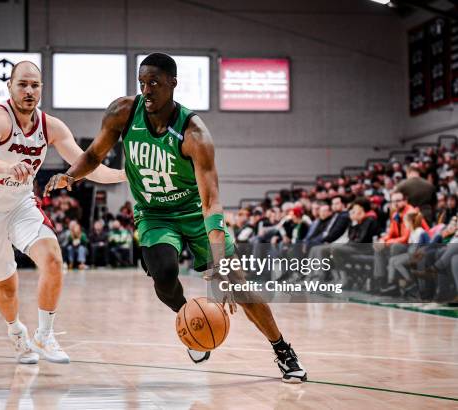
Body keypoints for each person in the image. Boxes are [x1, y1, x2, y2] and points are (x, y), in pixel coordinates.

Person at [44, 53, 306, 383]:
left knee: (238, 286)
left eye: (154, 83)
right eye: (142, 83)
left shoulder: (194, 134)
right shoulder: (123, 113)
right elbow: (95, 154)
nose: (147, 90)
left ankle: (282, 349)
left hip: (194, 213)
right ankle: (192, 321)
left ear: (173, 84)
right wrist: (70, 176)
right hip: (154, 214)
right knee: (164, 274)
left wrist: (218, 265)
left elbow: (211, 203)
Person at [0, 61, 126, 364]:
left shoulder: (51, 127)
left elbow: (87, 166)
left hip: (19, 204)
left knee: (52, 258)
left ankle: (44, 334)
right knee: (7, 287)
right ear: (9, 86)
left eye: (35, 85)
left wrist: (124, 176)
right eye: (22, 84)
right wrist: (7, 166)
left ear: (41, 90)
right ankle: (16, 332)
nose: (29, 91)